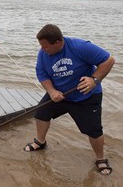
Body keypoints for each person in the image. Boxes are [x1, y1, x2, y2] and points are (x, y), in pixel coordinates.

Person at [24, 24, 115, 176]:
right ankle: (40, 142)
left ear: (58, 42)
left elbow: (109, 60)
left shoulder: (81, 47)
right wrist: (52, 91)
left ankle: (100, 158)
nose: (42, 49)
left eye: (45, 46)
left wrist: (94, 80)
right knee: (41, 114)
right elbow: (42, 74)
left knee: (94, 130)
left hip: (86, 96)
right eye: (41, 46)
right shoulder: (43, 53)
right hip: (60, 94)